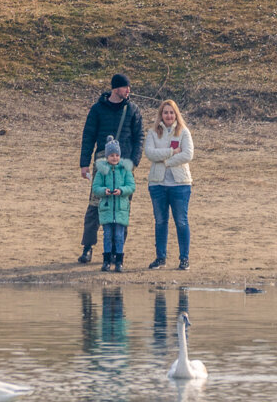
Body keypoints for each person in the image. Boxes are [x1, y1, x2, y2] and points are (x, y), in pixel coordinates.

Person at [78, 73, 143, 263]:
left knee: (122, 207)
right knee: (95, 205)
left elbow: (139, 138)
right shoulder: (97, 109)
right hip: (102, 164)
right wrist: (84, 164)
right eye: (125, 87)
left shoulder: (133, 110)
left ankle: (117, 250)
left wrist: (134, 162)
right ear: (116, 89)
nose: (128, 90)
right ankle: (88, 247)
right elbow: (88, 136)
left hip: (125, 166)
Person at [144, 99, 194, 270]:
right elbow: (150, 153)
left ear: (176, 114)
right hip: (157, 184)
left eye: (171, 112)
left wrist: (165, 162)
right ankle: (160, 257)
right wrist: (172, 152)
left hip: (180, 184)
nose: (168, 115)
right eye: (165, 112)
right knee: (160, 221)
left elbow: (187, 155)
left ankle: (184, 258)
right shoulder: (152, 133)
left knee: (181, 221)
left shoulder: (184, 132)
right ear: (161, 115)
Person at [91, 136, 135, 272]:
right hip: (107, 209)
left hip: (121, 209)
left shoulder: (125, 170)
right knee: (107, 235)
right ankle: (106, 261)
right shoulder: (102, 171)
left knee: (119, 236)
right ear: (107, 156)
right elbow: (95, 188)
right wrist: (105, 191)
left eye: (116, 155)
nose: (114, 158)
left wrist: (121, 190)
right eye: (111, 155)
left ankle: (119, 262)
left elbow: (131, 186)